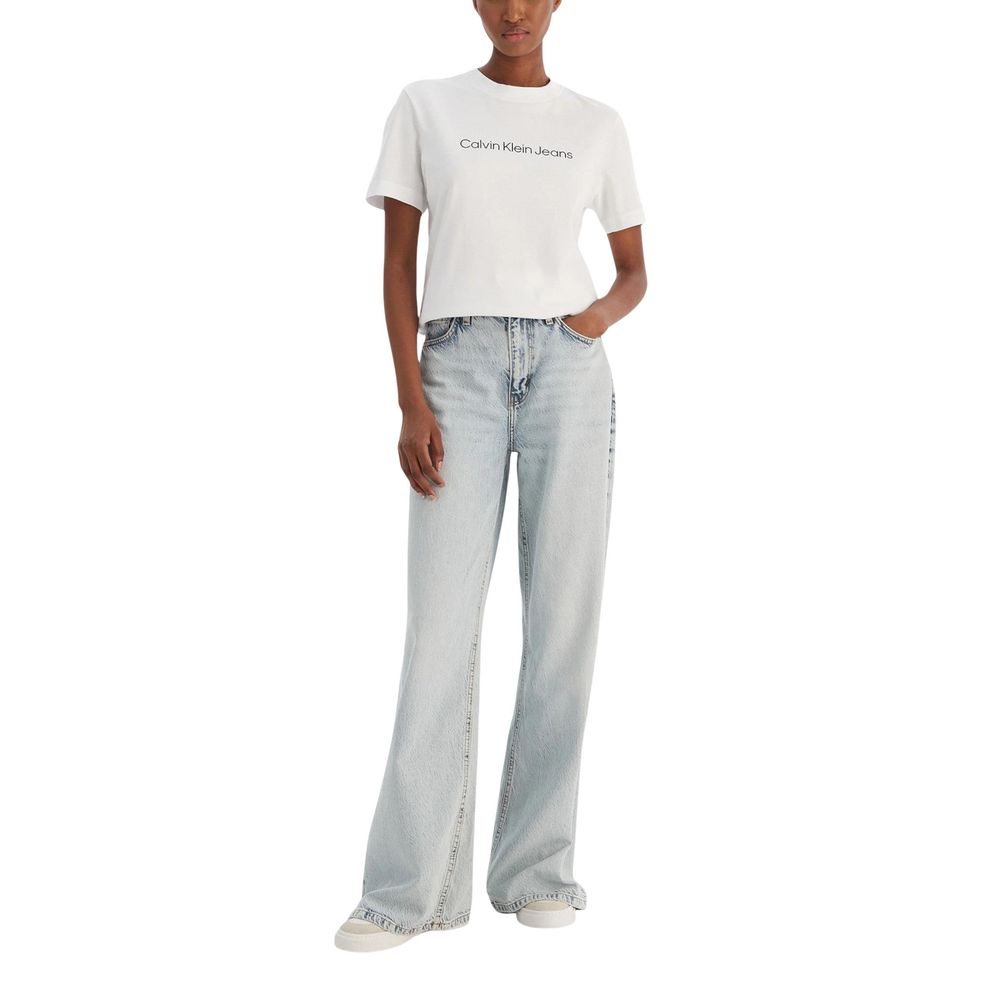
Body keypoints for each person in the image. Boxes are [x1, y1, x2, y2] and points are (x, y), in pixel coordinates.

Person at [336, 0, 647, 952]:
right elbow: (398, 264)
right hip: (457, 370)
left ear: (557, 3)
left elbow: (634, 270)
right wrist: (410, 398)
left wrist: (591, 322)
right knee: (439, 629)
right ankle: (406, 891)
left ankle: (537, 870)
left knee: (562, 624)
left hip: (568, 373)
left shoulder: (597, 124)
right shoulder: (425, 106)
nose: (515, 10)